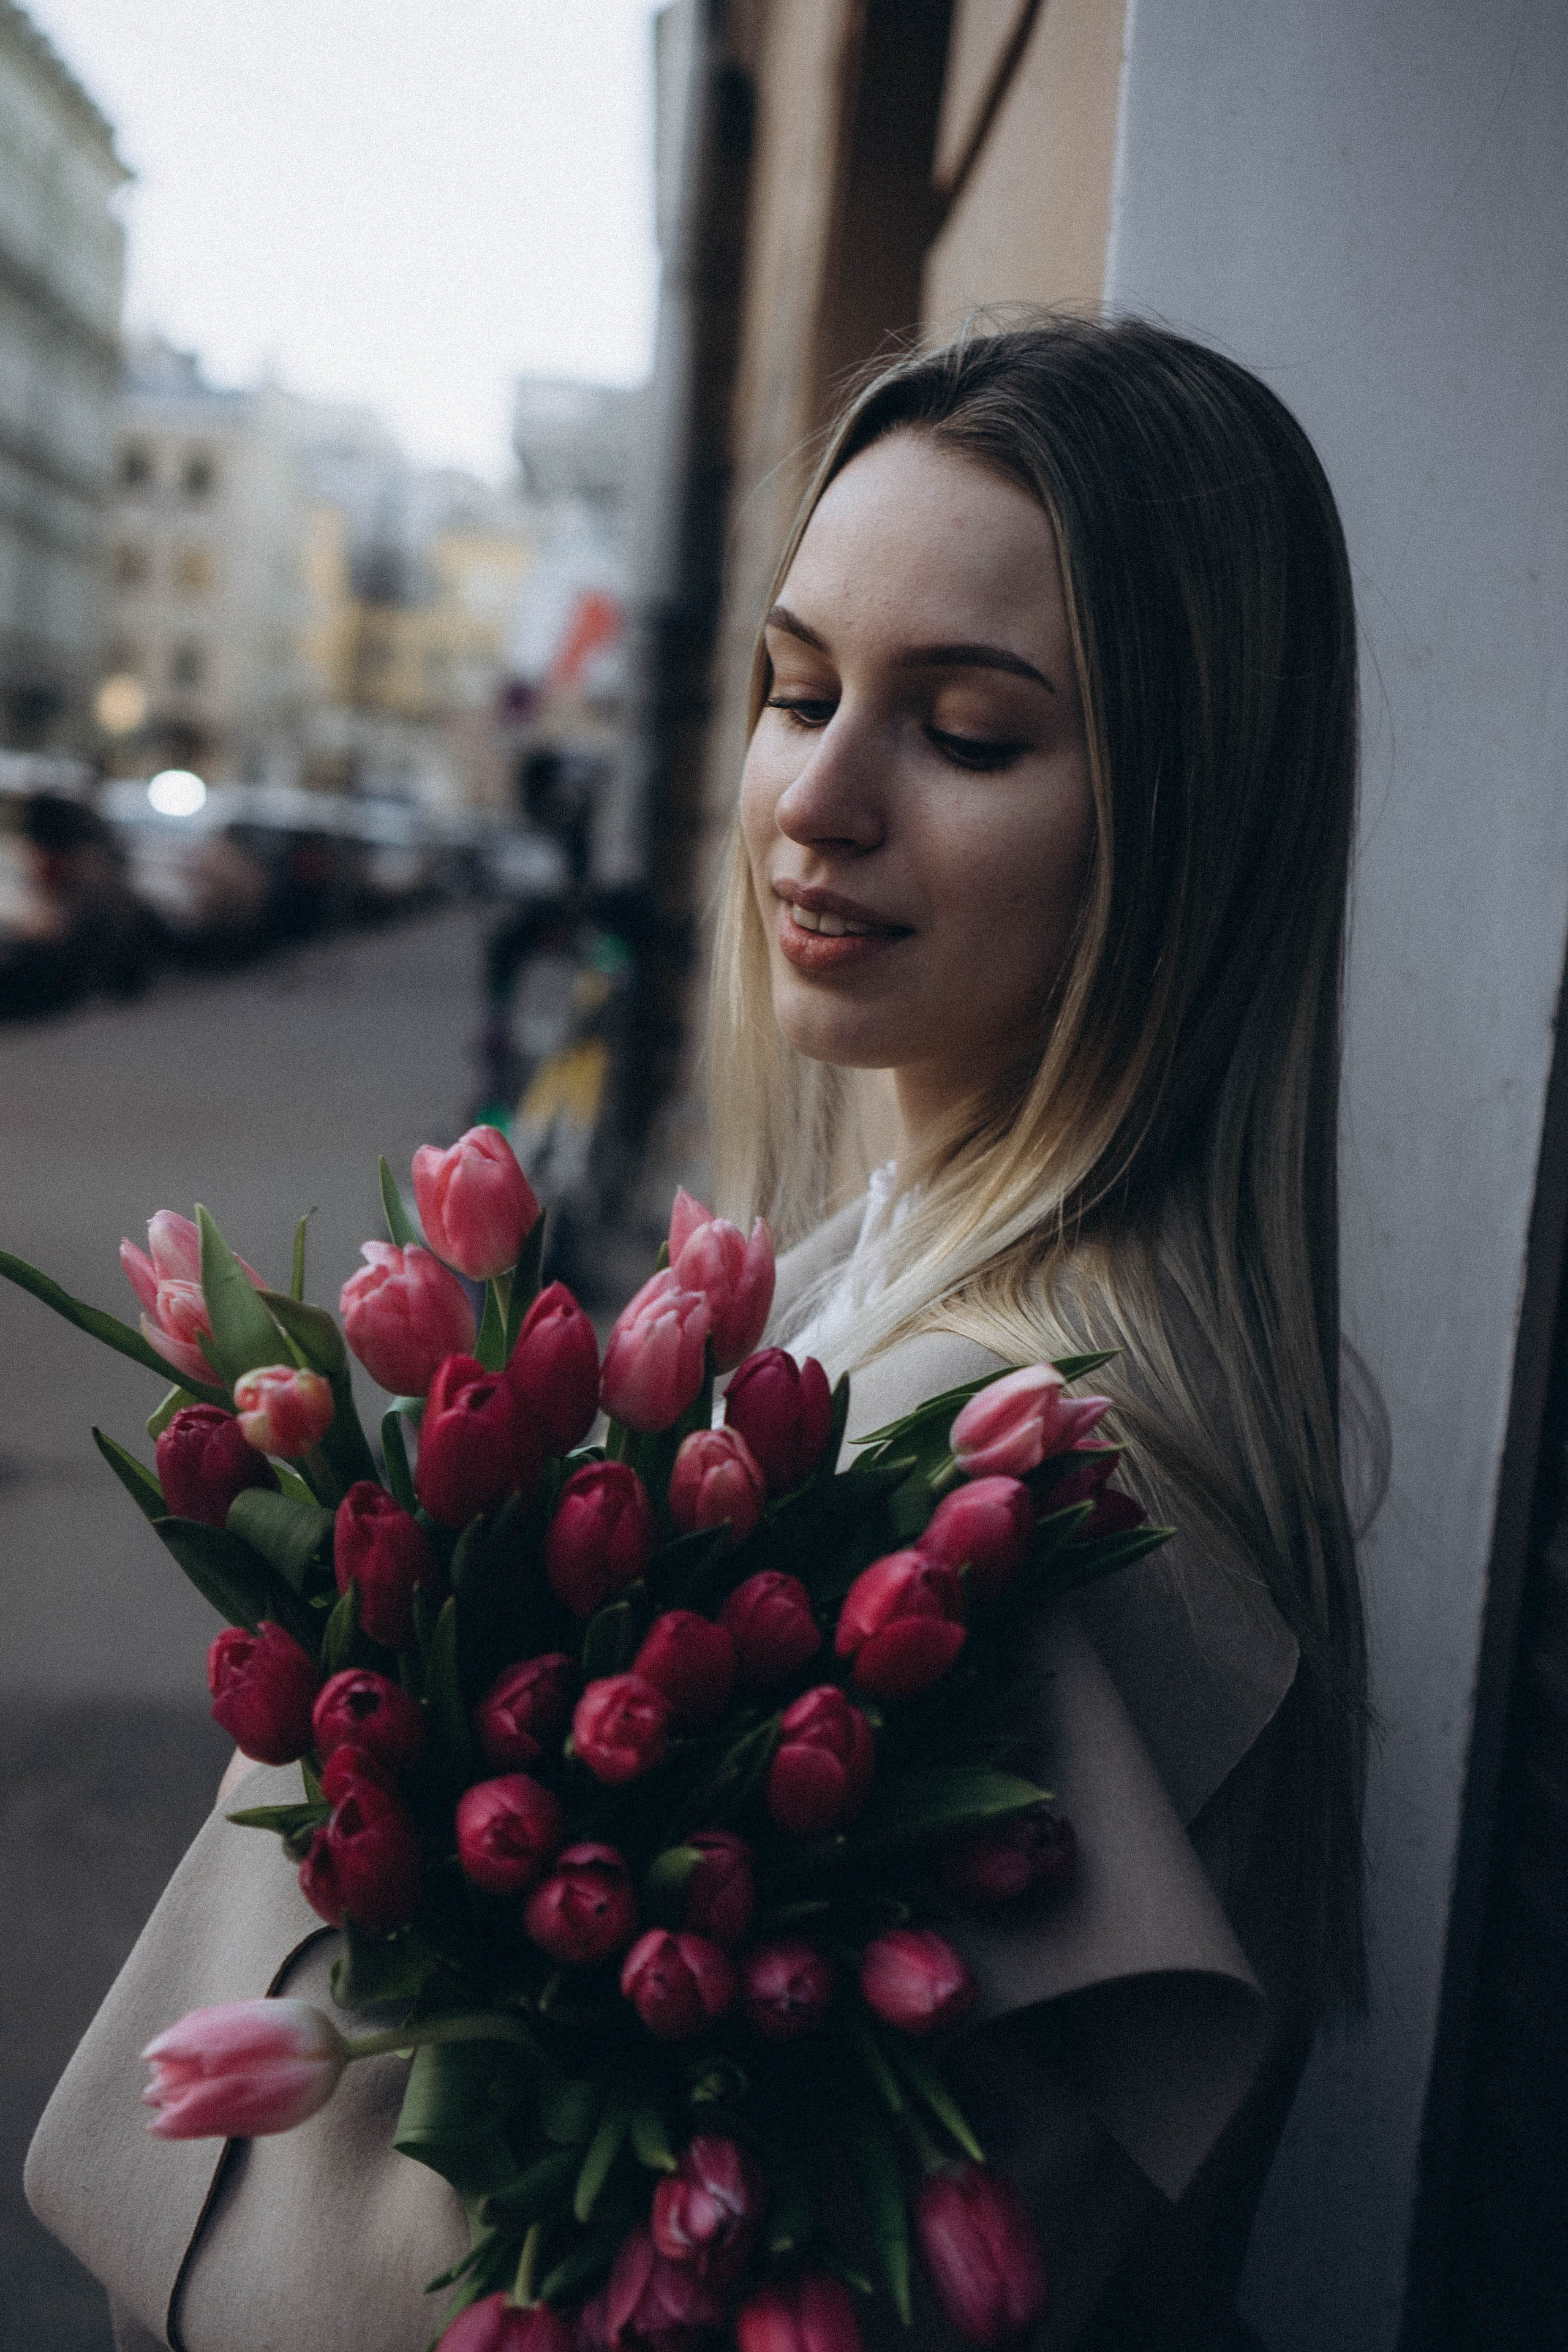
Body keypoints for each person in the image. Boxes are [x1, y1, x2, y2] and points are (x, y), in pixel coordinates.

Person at [26, 317, 1375, 2351]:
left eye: (971, 731)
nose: (813, 801)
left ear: (1190, 823)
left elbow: (478, 2283)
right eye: (799, 687)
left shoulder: (997, 1461)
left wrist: (387, 1685)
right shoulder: (905, 1299)